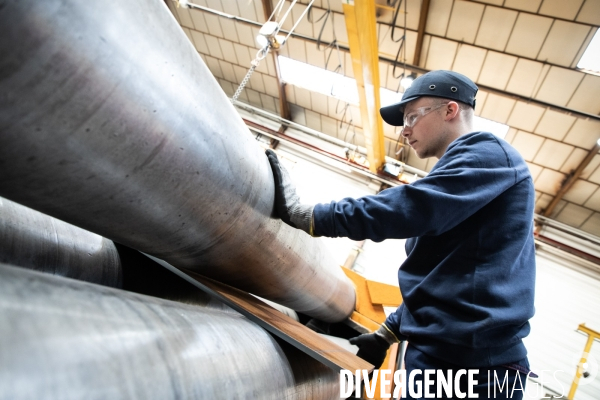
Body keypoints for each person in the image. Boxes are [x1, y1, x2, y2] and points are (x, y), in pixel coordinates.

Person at [265, 70, 536, 399]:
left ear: (450, 110)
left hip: (476, 367)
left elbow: (411, 207)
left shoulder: (488, 155)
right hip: (437, 356)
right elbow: (439, 276)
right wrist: (386, 334)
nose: (405, 131)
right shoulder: (457, 176)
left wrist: (311, 217)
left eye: (412, 117)